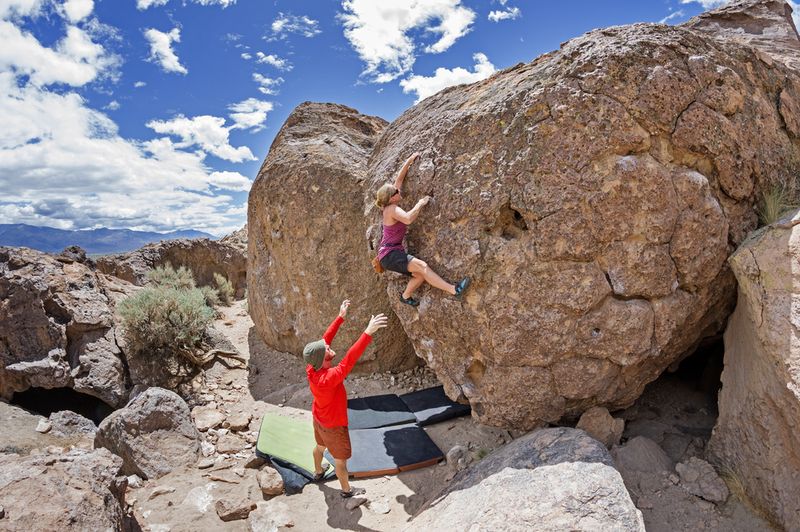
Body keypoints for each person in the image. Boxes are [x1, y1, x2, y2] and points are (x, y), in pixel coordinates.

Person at [304, 299, 388, 498]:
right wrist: (367, 333)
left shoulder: (312, 368)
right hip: (334, 426)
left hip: (319, 419)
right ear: (323, 357)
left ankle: (318, 471)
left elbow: (325, 339)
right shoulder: (328, 378)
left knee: (320, 447)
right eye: (326, 348)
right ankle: (346, 491)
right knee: (340, 461)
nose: (328, 345)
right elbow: (349, 359)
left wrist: (340, 317)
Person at [375, 152, 469, 306]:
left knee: (419, 275)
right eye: (396, 192)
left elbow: (399, 180)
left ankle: (405, 296)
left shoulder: (390, 203)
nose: (399, 191)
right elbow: (408, 218)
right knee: (422, 266)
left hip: (389, 255)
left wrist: (410, 160)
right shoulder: (391, 209)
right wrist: (420, 203)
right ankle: (454, 290)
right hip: (390, 254)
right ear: (391, 198)